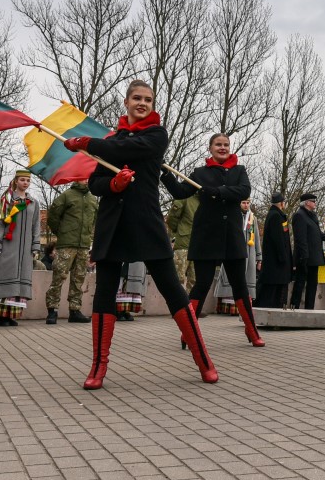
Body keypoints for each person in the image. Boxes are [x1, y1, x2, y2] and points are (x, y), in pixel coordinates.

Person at [63, 79, 219, 388]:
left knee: (173, 290)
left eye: (147, 99)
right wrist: (113, 184)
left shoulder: (156, 135)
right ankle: (98, 367)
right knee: (104, 294)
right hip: (112, 225)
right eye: (137, 98)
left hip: (146, 222)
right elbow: (95, 183)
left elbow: (126, 149)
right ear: (126, 102)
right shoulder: (111, 139)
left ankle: (204, 360)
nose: (142, 103)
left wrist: (87, 142)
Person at [162, 132, 261, 346]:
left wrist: (218, 191)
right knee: (202, 284)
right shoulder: (200, 173)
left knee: (239, 285)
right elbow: (180, 192)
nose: (222, 148)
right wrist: (165, 172)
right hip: (206, 236)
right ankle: (188, 332)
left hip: (232, 236)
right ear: (210, 148)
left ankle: (252, 331)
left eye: (226, 144)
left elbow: (244, 191)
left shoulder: (239, 171)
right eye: (218, 144)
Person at [0, 170, 41, 327]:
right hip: (7, 245)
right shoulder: (7, 199)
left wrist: (35, 245)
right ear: (16, 181)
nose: (25, 183)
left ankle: (11, 314)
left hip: (25, 249)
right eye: (22, 180)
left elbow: (36, 225)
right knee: (3, 277)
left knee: (19, 281)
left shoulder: (33, 203)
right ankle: (0, 315)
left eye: (28, 180)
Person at [45, 178, 96, 324]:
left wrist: (89, 234)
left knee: (78, 278)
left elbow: (94, 220)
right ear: (76, 178)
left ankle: (75, 310)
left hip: (83, 245)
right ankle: (52, 310)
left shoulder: (92, 199)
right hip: (67, 243)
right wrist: (62, 232)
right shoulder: (67, 195)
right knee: (59, 276)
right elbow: (53, 216)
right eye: (83, 177)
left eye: (88, 177)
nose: (86, 180)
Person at [214, 199, 262, 315]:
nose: (246, 205)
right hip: (233, 251)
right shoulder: (233, 215)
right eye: (243, 203)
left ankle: (243, 309)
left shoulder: (252, 218)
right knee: (231, 277)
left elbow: (256, 238)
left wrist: (259, 257)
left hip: (249, 253)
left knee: (246, 279)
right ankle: (228, 308)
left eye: (248, 203)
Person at [289, 193, 324, 310]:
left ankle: (309, 309)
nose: (315, 203)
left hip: (314, 258)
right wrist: (304, 256)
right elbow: (300, 239)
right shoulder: (299, 215)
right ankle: (294, 308)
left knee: (312, 286)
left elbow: (319, 234)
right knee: (299, 284)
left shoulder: (313, 216)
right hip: (304, 258)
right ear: (307, 203)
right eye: (313, 201)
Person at [257, 193, 292, 308]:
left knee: (275, 289)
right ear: (281, 203)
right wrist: (283, 257)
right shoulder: (276, 216)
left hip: (276, 261)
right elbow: (279, 239)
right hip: (276, 262)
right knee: (272, 291)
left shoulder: (275, 215)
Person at [165, 191, 199, 292]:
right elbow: (172, 218)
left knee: (195, 282)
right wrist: (179, 230)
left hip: (198, 248)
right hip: (184, 245)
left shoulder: (207, 200)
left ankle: (190, 302)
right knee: (177, 279)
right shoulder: (185, 195)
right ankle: (178, 302)